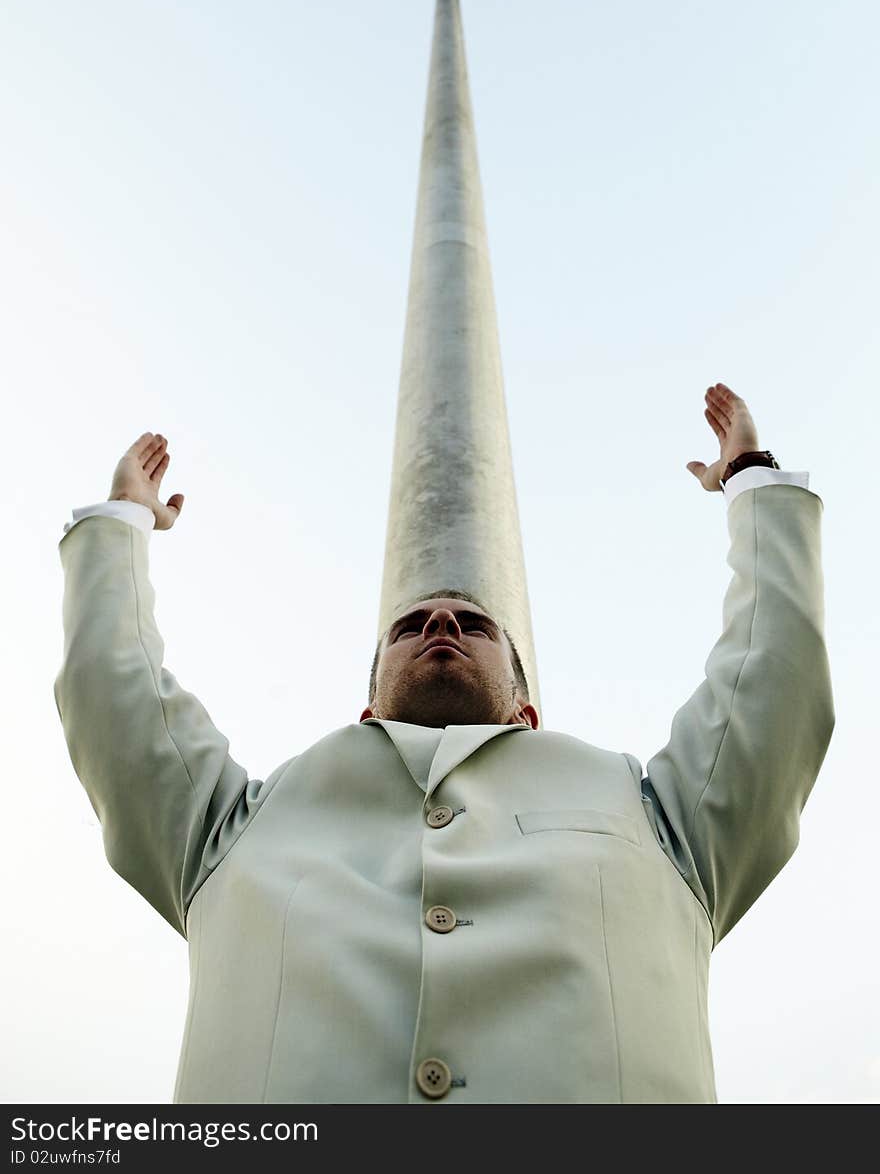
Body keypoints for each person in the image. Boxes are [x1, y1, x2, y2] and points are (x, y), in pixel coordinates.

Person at [53, 383, 833, 1104]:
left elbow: (774, 681)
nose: (440, 623)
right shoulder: (227, 829)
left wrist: (752, 485)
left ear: (528, 713)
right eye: (409, 626)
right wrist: (121, 522)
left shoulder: (664, 819)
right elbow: (114, 697)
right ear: (366, 711)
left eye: (476, 624)